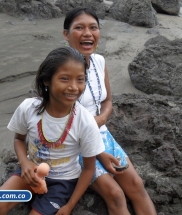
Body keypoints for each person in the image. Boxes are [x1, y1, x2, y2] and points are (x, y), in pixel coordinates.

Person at [0, 47, 111, 215]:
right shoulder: (28, 108)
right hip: (31, 173)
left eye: (80, 79)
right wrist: (24, 163)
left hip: (63, 182)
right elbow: (19, 139)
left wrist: (69, 206)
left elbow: (88, 169)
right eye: (65, 79)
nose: (73, 87)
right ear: (47, 80)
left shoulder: (85, 121)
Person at [63, 7, 157, 215]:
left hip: (102, 135)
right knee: (115, 194)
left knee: (136, 184)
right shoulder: (59, 69)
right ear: (66, 34)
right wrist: (98, 151)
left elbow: (108, 101)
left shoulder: (99, 61)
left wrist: (101, 119)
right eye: (79, 28)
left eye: (93, 28)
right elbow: (60, 122)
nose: (88, 33)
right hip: (72, 144)